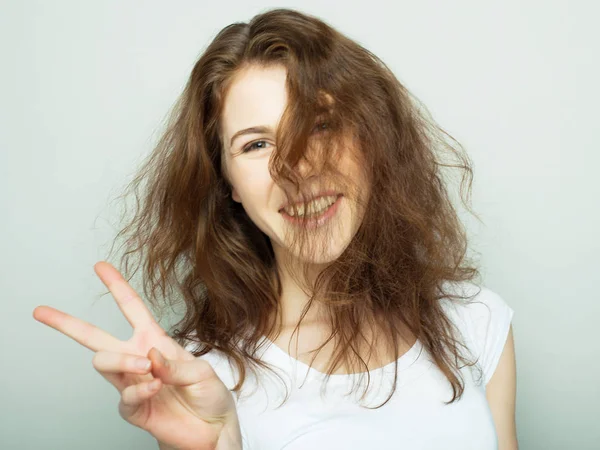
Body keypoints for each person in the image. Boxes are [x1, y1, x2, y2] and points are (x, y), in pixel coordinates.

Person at [33, 7, 518, 450]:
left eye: (321, 125)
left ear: (372, 139)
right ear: (229, 185)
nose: (298, 169)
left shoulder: (475, 322)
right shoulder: (205, 377)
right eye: (256, 145)